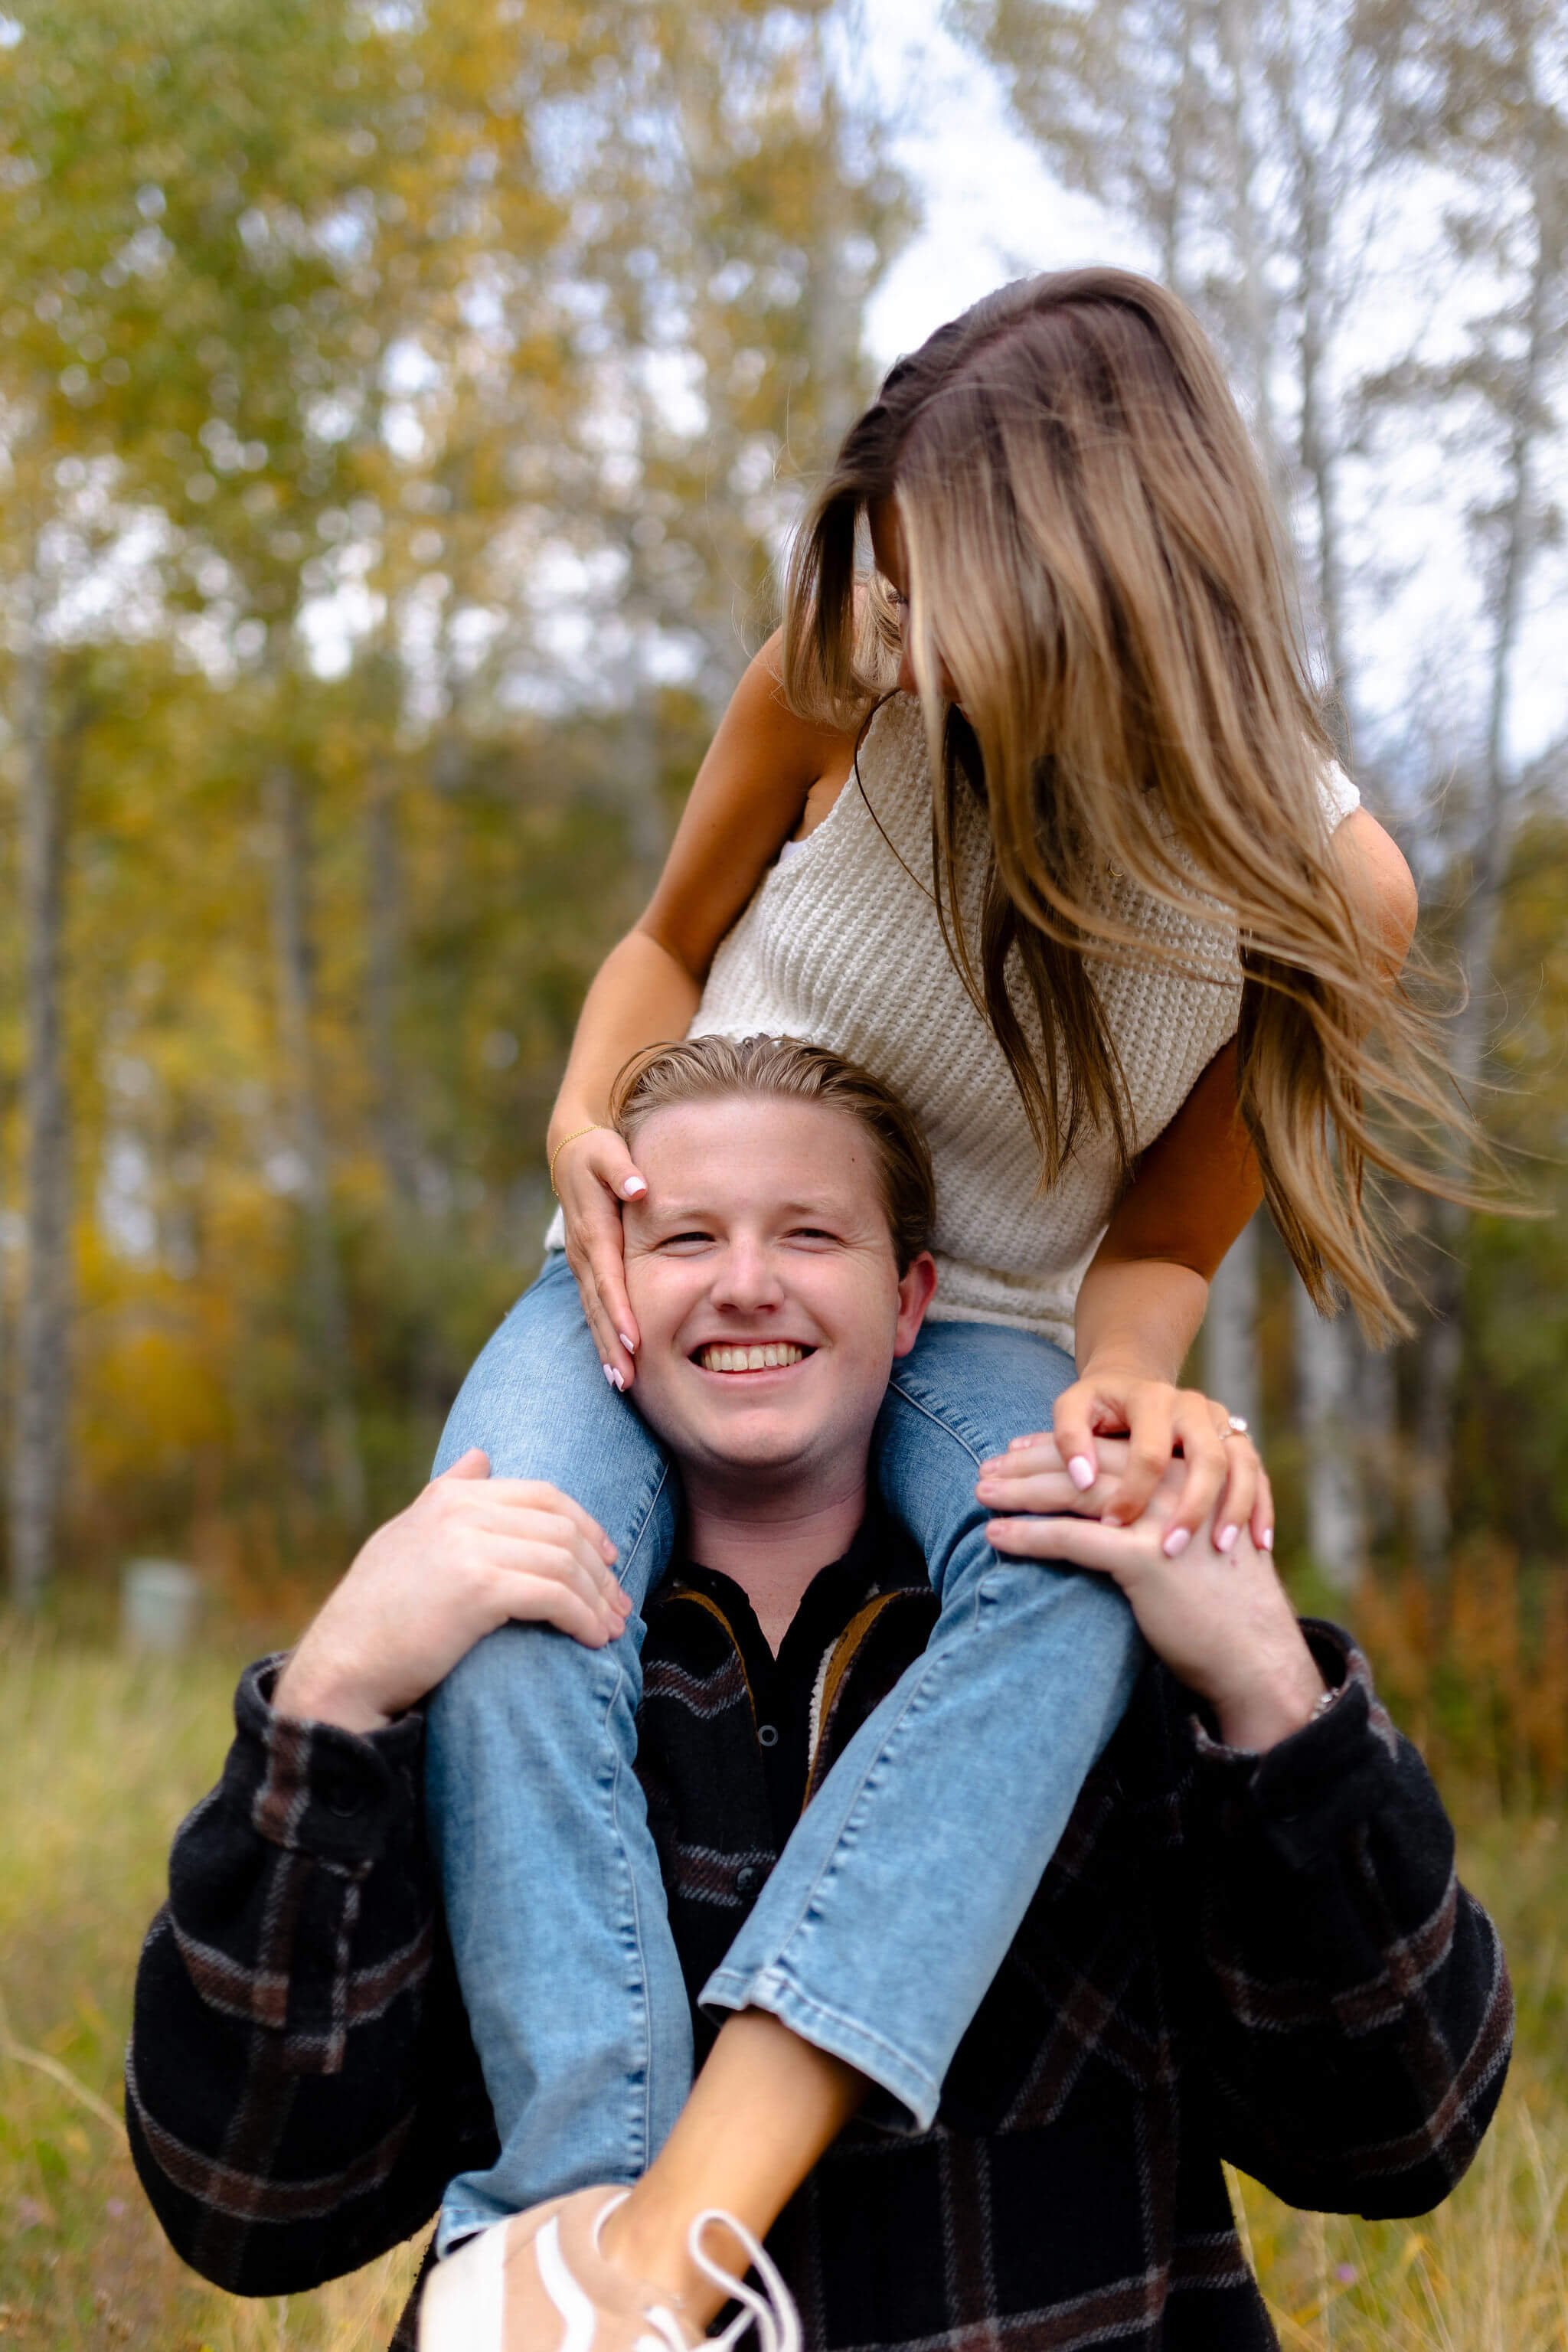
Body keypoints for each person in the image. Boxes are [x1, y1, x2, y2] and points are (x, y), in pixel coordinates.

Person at [420, 266, 1438, 2294]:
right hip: (662, 1270)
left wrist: (1132, 1388)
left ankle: (675, 2247)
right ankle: (557, 2243)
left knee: (1070, 1591)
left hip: (976, 1322)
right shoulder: (842, 660)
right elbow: (659, 943)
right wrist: (578, 1118)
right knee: (501, 1573)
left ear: (1100, 570)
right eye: (880, 583)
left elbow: (1159, 1234)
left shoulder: (1328, 891)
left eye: (936, 590)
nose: (902, 636)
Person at [126, 1040, 1512, 2352]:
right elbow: (250, 2202)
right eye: (683, 1239)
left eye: (808, 1234)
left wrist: (1267, 1686)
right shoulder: (490, 1676)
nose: (744, 1285)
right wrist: (333, 1697)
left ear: (912, 1298)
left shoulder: (1103, 1646)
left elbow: (1400, 2132)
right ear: (603, 1283)